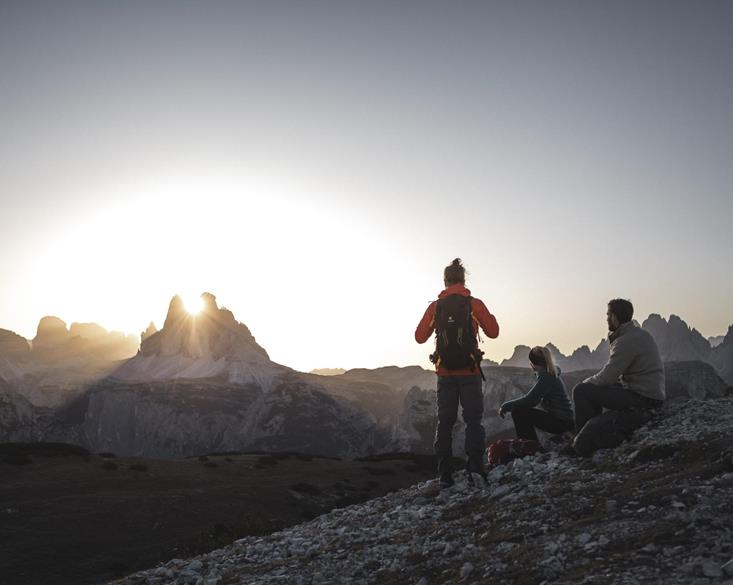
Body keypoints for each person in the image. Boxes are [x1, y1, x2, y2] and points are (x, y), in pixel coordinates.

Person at [415, 258, 499, 487]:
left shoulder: (436, 307)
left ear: (445, 281)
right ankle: (476, 469)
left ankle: (444, 474)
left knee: (445, 422)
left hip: (445, 373)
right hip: (470, 371)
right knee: (473, 421)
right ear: (464, 280)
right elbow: (494, 332)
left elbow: (419, 337)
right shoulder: (474, 304)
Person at [571, 299, 665, 456]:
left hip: (643, 399)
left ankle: (580, 442)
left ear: (615, 317)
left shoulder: (626, 340)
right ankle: (586, 434)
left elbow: (607, 377)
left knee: (581, 391)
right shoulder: (638, 334)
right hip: (648, 393)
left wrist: (586, 384)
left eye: (608, 314)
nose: (606, 318)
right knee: (594, 390)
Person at [498, 346, 574, 442]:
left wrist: (505, 406)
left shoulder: (546, 377)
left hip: (561, 422)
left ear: (533, 364)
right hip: (564, 420)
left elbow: (530, 400)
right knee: (521, 410)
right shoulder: (549, 373)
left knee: (518, 412)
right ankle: (531, 445)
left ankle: (530, 447)